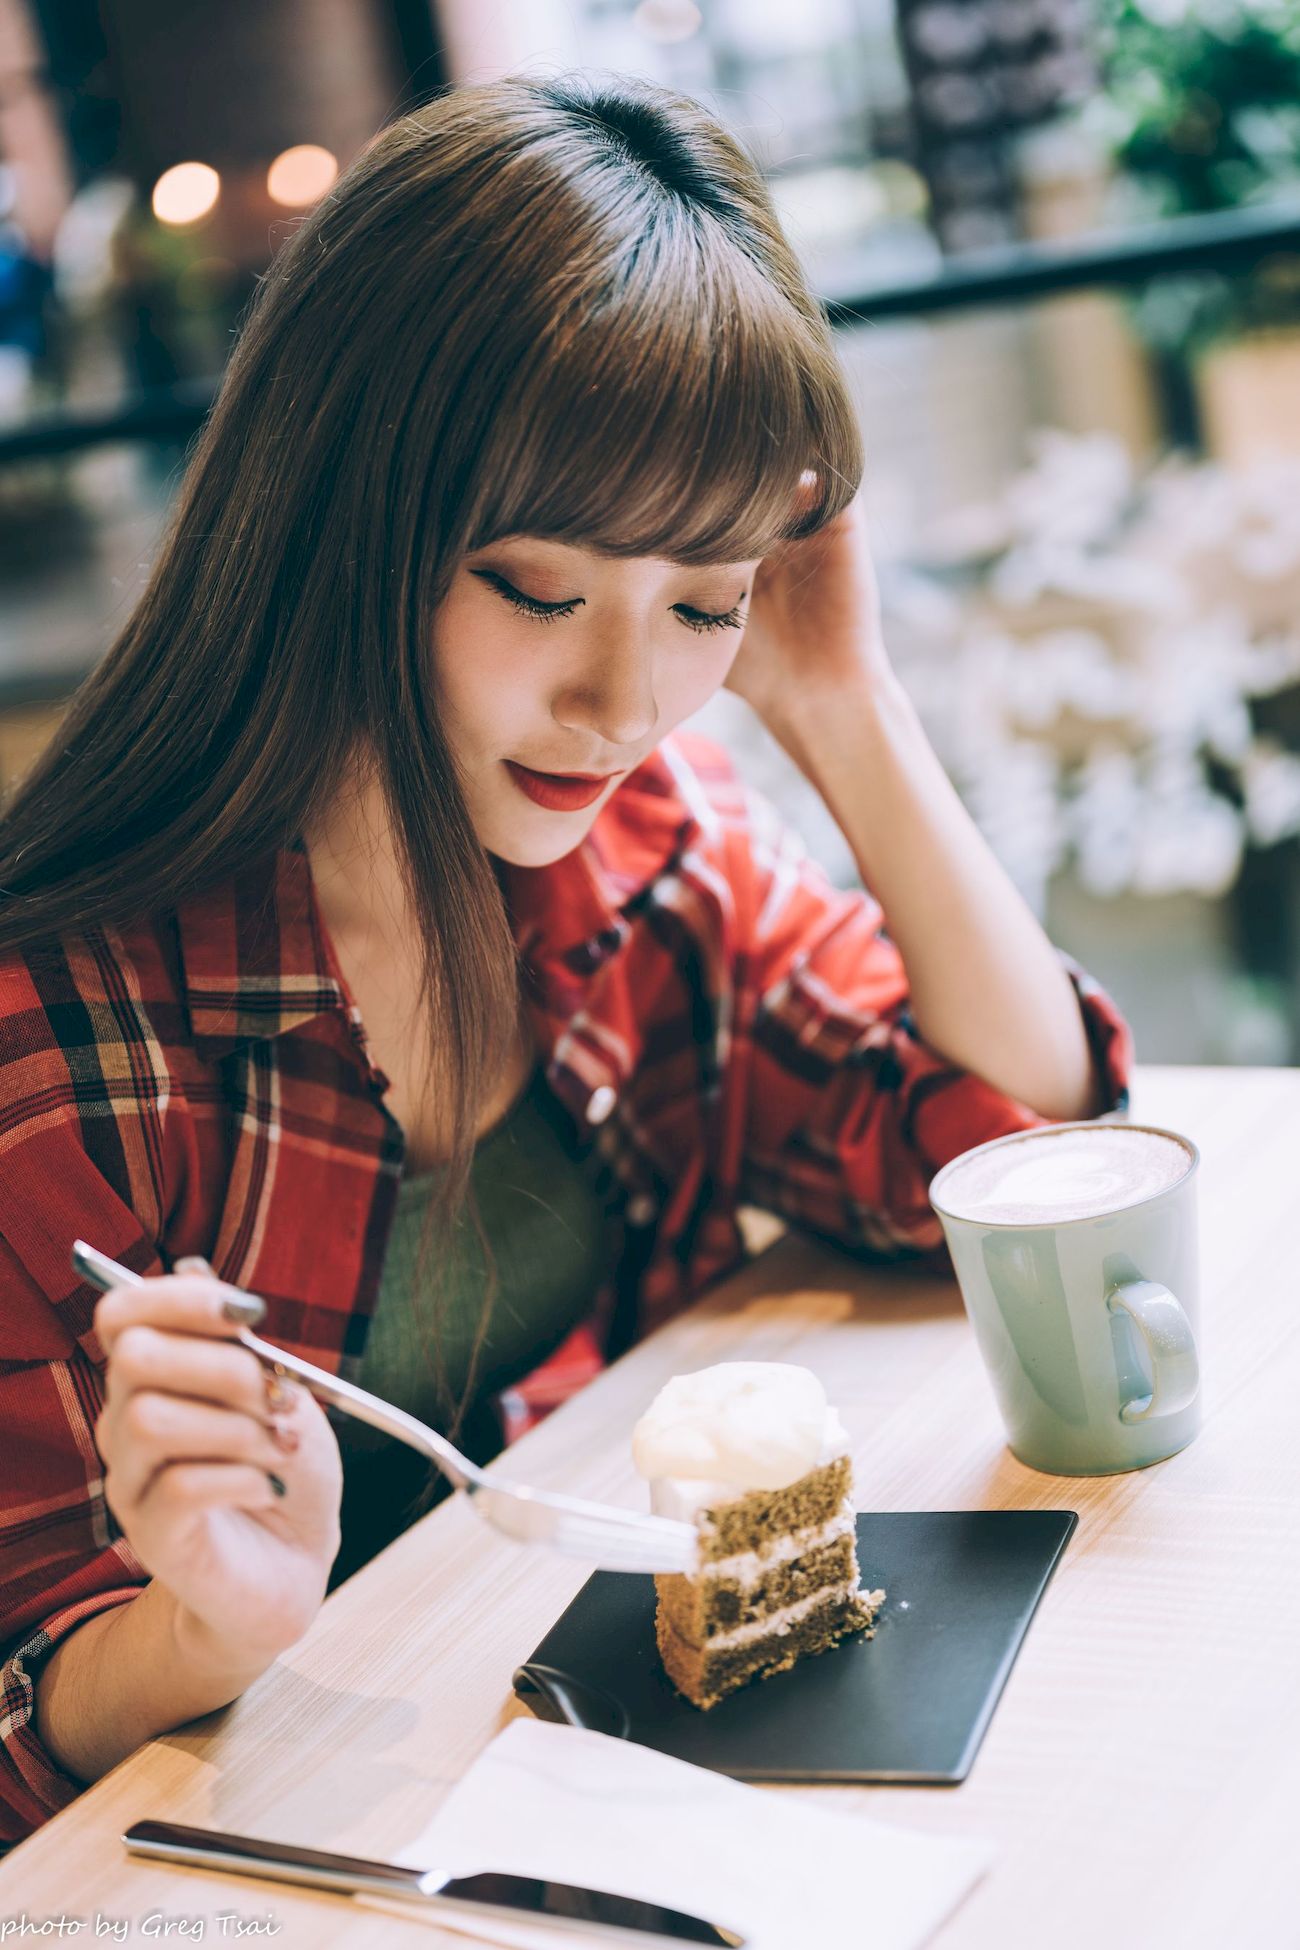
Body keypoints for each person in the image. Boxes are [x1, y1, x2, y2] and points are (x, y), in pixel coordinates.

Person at [0, 71, 1131, 1848]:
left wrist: (848, 703)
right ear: (339, 522)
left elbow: (1007, 1171)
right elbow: (19, 1728)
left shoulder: (637, 855)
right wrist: (196, 1628)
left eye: (704, 603)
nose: (624, 706)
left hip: (622, 1804)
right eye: (540, 589)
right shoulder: (65, 1046)